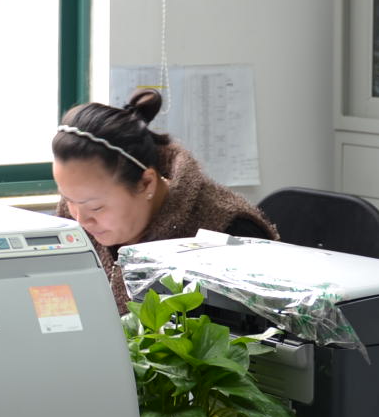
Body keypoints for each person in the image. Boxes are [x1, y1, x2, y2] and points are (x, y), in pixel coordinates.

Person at [51, 89, 275, 308]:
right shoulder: (73, 217)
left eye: (96, 207)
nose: (80, 220)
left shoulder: (228, 232)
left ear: (146, 183)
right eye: (68, 200)